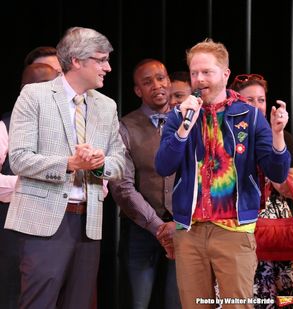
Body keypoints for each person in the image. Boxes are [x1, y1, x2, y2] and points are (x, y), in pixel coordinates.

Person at [155, 38, 291, 309]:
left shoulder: (250, 116)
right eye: (194, 73)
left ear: (225, 74)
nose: (199, 79)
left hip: (234, 229)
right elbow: (163, 166)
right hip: (190, 231)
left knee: (236, 305)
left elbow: (278, 171)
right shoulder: (178, 115)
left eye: (207, 72)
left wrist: (277, 136)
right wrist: (183, 128)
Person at [5, 26, 125, 309]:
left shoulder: (106, 106)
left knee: (80, 303)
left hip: (88, 223)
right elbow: (19, 159)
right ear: (76, 61)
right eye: (101, 59)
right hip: (44, 222)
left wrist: (99, 164)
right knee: (39, 302)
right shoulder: (34, 96)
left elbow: (119, 163)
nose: (108, 67)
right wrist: (70, 164)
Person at [109, 58, 181, 309]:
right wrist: (158, 227)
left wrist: (178, 223)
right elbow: (122, 186)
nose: (157, 85)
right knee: (137, 302)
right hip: (140, 229)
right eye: (147, 82)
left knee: (178, 302)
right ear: (138, 91)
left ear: (169, 82)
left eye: (161, 78)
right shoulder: (124, 126)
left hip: (183, 228)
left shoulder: (188, 122)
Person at [229, 73, 293, 308]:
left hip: (281, 226)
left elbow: (292, 183)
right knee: (249, 291)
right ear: (236, 102)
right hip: (241, 222)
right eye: (250, 100)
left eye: (261, 99)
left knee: (285, 293)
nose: (257, 105)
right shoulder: (226, 135)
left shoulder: (283, 136)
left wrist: (277, 135)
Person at [0, 62, 59, 309]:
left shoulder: (68, 126)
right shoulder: (5, 125)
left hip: (61, 228)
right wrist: (33, 185)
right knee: (18, 296)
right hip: (17, 231)